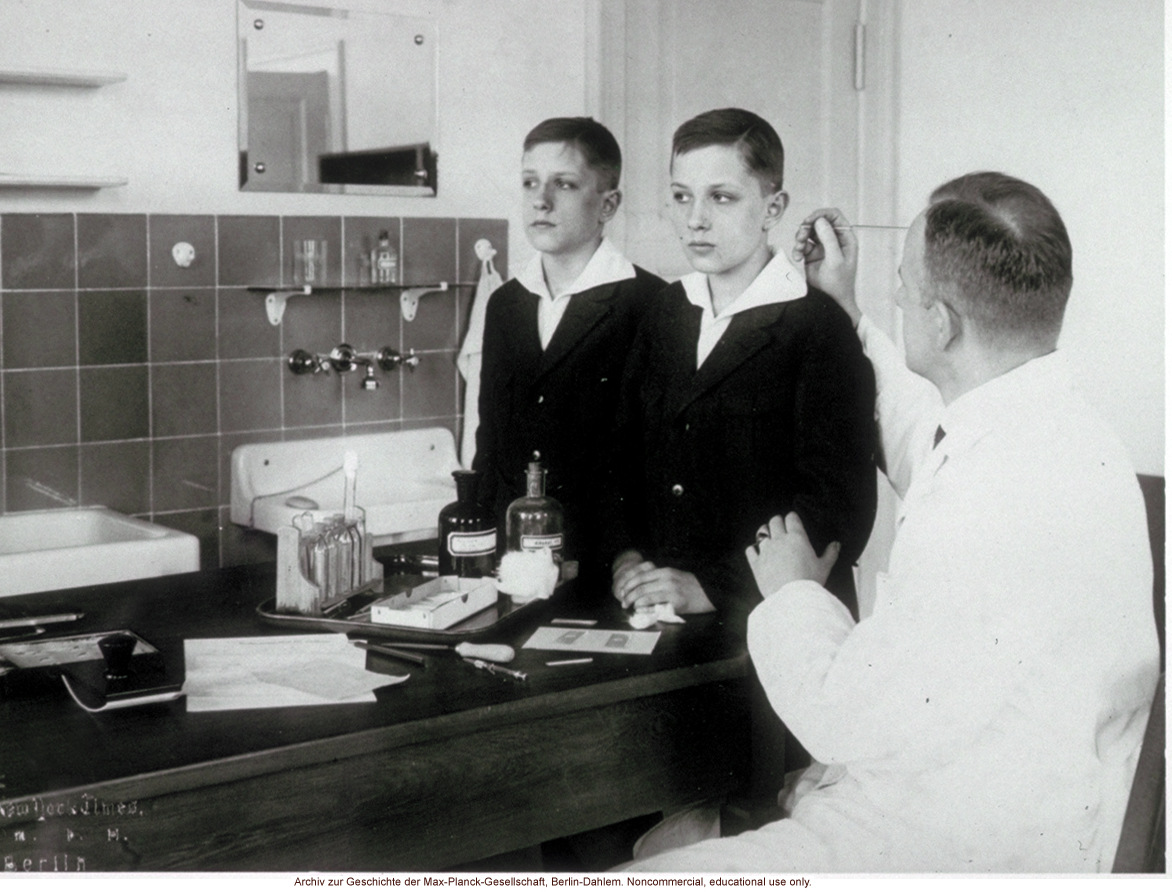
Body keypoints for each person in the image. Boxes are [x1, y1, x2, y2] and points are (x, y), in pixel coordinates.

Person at [631, 172, 1162, 871]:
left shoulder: (988, 494)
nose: (898, 296)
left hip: (949, 845)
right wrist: (847, 311)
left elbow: (844, 722)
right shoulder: (1072, 439)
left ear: (940, 322)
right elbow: (925, 435)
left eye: (905, 286)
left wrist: (793, 592)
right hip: (1033, 806)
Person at [607, 108, 877, 628]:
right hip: (661, 611)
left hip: (773, 626)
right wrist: (625, 555)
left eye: (721, 197)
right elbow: (619, 460)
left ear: (773, 207)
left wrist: (710, 586)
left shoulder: (818, 326)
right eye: (682, 196)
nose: (695, 219)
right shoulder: (665, 311)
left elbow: (840, 508)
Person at [473, 117, 665, 584]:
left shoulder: (650, 303)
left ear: (608, 203)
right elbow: (491, 442)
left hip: (611, 564)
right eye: (529, 183)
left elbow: (658, 456)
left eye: (564, 184)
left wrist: (631, 554)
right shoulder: (506, 303)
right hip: (513, 564)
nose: (541, 200)